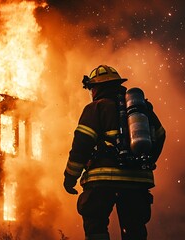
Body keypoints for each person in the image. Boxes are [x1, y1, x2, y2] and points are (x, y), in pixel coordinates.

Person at [63, 65, 166, 240]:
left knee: (96, 225)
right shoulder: (142, 109)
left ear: (96, 88)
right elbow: (160, 136)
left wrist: (70, 177)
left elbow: (81, 145)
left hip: (102, 181)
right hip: (137, 181)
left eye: (92, 88)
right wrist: (143, 161)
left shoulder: (96, 108)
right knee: (134, 230)